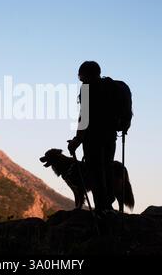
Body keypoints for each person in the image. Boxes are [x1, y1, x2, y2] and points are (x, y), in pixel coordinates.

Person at [67, 61, 118, 214]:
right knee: (107, 168)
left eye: (81, 76)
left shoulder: (87, 89)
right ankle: (108, 205)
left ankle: (101, 209)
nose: (80, 79)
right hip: (110, 136)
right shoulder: (111, 87)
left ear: (87, 74)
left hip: (92, 138)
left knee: (95, 172)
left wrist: (77, 140)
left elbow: (84, 117)